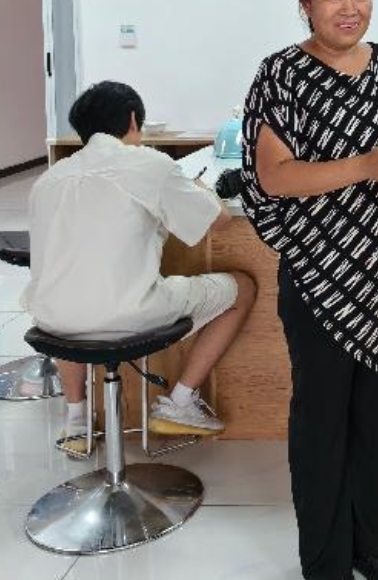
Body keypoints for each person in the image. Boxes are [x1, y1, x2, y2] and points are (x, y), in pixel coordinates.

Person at [241, 0, 378, 580]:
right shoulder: (282, 74)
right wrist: (365, 166)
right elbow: (274, 176)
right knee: (321, 423)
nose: (350, 8)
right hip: (320, 276)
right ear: (307, 5)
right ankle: (324, 560)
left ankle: (373, 547)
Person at [24, 80, 256, 452]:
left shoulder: (47, 180)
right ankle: (180, 402)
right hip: (128, 317)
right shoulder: (149, 163)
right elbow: (219, 220)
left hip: (50, 322)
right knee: (242, 288)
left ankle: (77, 420)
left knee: (69, 292)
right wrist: (199, 187)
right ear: (133, 120)